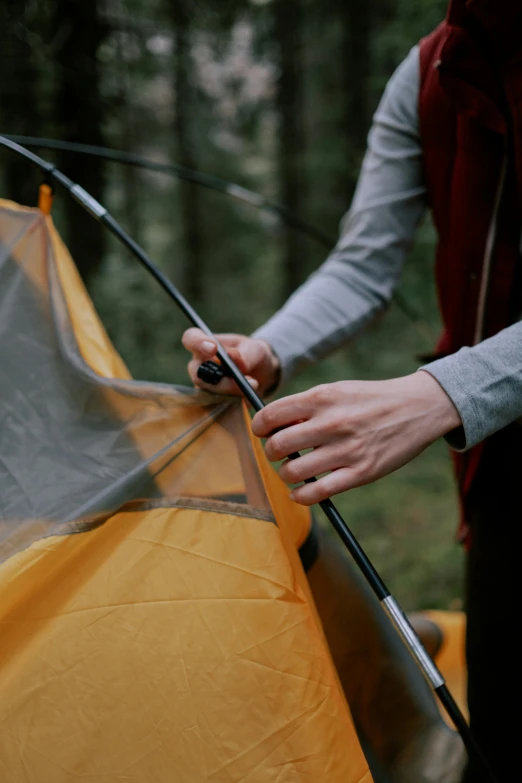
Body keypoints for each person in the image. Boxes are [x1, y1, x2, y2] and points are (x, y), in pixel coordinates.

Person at [183, 1, 522, 780]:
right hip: (502, 469)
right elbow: (363, 262)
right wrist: (268, 348)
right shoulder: (429, 73)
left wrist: (444, 392)